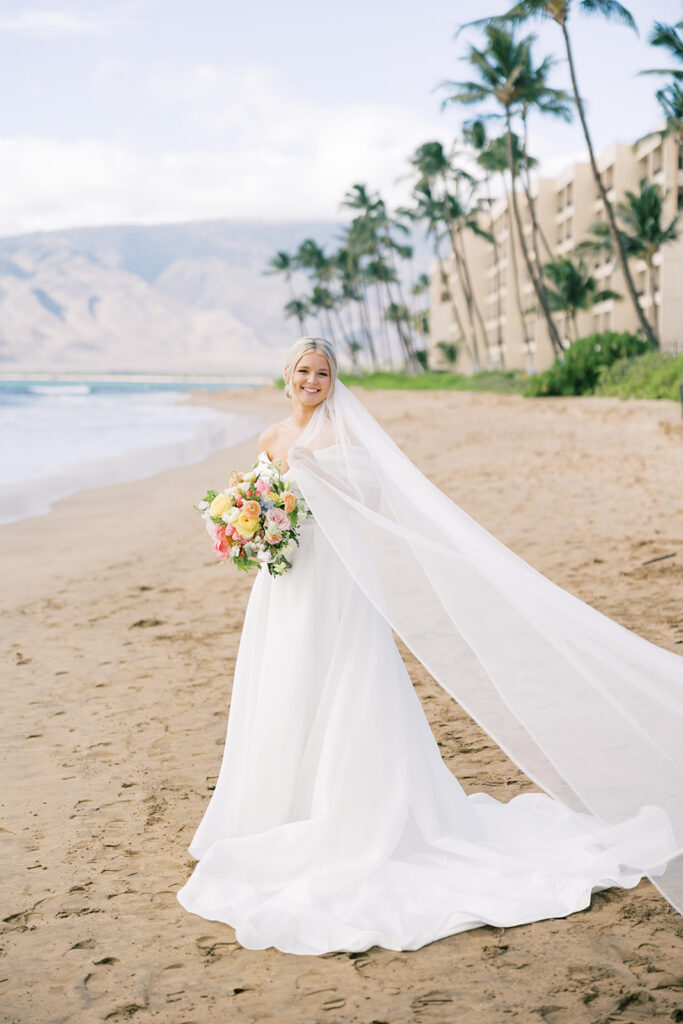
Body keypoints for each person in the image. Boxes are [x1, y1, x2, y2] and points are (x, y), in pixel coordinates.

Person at [177, 337, 682, 956]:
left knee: (347, 684)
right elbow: (259, 501)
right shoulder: (270, 439)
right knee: (283, 686)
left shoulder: (345, 438)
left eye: (323, 372)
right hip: (286, 585)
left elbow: (375, 502)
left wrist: (318, 475)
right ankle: (277, 811)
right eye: (304, 371)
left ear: (334, 380)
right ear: (286, 377)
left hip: (337, 576)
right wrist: (244, 527)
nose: (313, 380)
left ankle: (351, 813)